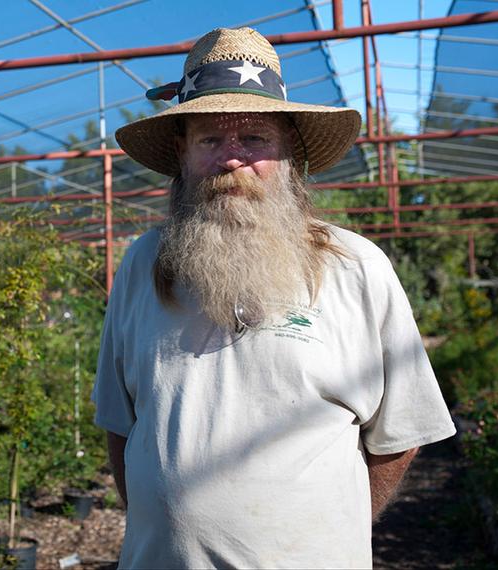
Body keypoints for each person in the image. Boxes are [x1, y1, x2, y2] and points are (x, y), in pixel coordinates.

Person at [92, 27, 456, 569]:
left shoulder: (354, 266)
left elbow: (399, 436)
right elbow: (122, 427)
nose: (232, 160)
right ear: (182, 153)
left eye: (255, 139)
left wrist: (334, 532)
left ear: (289, 152)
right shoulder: (145, 264)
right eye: (210, 141)